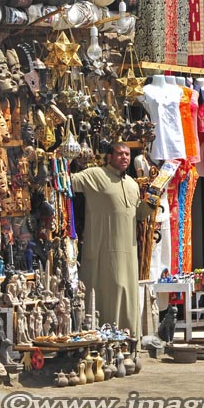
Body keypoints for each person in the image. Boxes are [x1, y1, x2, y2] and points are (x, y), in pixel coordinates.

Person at [71, 142, 155, 337]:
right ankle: (108, 338)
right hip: (104, 250)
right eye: (119, 154)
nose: (125, 157)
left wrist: (151, 202)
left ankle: (129, 339)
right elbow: (68, 182)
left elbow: (138, 215)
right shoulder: (96, 175)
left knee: (128, 294)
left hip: (129, 252)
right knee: (110, 291)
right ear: (109, 157)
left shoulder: (133, 184)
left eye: (127, 154)